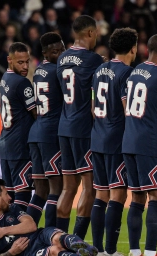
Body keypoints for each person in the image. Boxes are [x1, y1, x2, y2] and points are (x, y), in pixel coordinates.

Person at [122, 34, 157, 256]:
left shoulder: (133, 72)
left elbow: (125, 104)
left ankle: (134, 254)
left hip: (129, 141)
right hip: (150, 142)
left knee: (136, 198)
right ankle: (152, 254)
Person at [90, 28, 138, 256]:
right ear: (133, 48)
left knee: (100, 194)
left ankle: (97, 249)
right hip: (116, 140)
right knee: (118, 194)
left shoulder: (99, 70)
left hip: (96, 138)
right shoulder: (127, 73)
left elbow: (92, 108)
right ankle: (110, 251)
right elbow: (127, 109)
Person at [0, 178, 101, 256]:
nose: (9, 197)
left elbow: (31, 225)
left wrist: (3, 231)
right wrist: (11, 252)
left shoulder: (13, 209)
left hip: (39, 235)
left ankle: (83, 247)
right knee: (53, 252)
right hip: (28, 254)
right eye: (6, 194)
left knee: (57, 238)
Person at [56, 15, 104, 239]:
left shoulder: (62, 58)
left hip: (63, 127)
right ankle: (76, 240)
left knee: (68, 188)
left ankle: (58, 239)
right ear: (90, 33)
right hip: (83, 129)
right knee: (89, 187)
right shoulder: (93, 60)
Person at [27, 32, 65, 228]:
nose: (61, 55)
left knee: (40, 192)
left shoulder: (39, 71)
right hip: (50, 135)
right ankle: (51, 236)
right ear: (45, 53)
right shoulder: (56, 72)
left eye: (62, 50)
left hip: (36, 132)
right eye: (56, 52)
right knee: (56, 190)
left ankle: (25, 233)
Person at [0, 42, 36, 210]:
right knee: (23, 193)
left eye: (27, 61)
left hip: (5, 144)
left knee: (10, 195)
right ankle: (18, 232)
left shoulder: (4, 79)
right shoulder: (22, 83)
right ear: (9, 60)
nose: (25, 66)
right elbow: (36, 114)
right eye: (20, 62)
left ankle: (7, 232)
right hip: (19, 146)